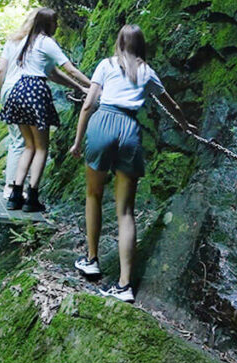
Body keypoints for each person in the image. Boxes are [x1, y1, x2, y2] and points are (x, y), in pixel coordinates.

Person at [69, 24, 188, 303]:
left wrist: (77, 141)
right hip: (130, 130)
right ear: (141, 46)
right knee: (125, 211)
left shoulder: (106, 65)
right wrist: (185, 125)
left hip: (103, 123)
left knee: (93, 195)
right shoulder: (147, 72)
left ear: (119, 43)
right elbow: (172, 104)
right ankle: (124, 285)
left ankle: (91, 259)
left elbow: (88, 105)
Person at [0, 7, 89, 213]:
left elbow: (53, 73)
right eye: (55, 23)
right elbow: (69, 69)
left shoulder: (24, 41)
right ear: (48, 24)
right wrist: (92, 85)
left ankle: (15, 194)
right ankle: (32, 197)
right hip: (35, 91)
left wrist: (79, 87)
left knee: (28, 146)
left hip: (17, 91)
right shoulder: (46, 42)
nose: (57, 26)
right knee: (41, 148)